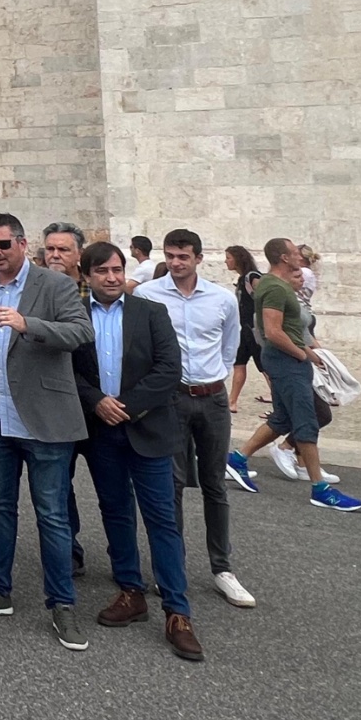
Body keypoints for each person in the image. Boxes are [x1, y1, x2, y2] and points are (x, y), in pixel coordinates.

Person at [0, 213, 94, 653]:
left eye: (3, 245)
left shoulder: (54, 285)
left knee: (51, 513)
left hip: (43, 417)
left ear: (22, 244)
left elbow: (80, 332)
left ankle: (62, 603)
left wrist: (29, 324)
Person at [72, 241, 204, 661]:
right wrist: (96, 400)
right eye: (103, 271)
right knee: (115, 511)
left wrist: (126, 406)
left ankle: (177, 611)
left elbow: (169, 369)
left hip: (147, 428)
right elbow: (68, 370)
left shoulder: (150, 312)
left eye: (117, 269)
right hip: (101, 431)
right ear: (86, 275)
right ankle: (130, 591)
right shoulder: (76, 316)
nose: (112, 277)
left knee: (162, 519)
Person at [135, 230, 255, 608]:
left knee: (214, 485)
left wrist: (214, 375)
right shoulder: (148, 294)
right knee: (170, 486)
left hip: (211, 398)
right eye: (170, 255)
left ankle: (222, 568)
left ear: (199, 258)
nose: (176, 262)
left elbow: (230, 343)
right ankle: (174, 568)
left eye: (183, 256)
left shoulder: (222, 298)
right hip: (170, 400)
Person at [225, 238, 361, 512]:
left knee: (283, 418)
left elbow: (285, 329)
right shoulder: (275, 288)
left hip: (287, 360)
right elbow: (273, 331)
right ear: (283, 258)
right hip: (286, 362)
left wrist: (311, 355)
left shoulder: (276, 285)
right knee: (306, 420)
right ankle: (320, 489)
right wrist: (302, 355)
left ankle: (238, 459)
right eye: (294, 253)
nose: (300, 256)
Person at [41, 221, 90, 576]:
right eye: (50, 249)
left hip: (101, 403)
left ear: (79, 254)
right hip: (57, 400)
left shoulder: (97, 290)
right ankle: (69, 547)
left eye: (63, 249)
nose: (55, 255)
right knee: (60, 484)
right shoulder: (37, 293)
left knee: (114, 488)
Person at [224, 246, 265, 413]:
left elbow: (265, 298)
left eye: (228, 257)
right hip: (244, 329)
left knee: (264, 367)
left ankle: (280, 404)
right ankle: (231, 402)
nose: (226, 261)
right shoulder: (242, 279)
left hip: (254, 330)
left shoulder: (252, 277)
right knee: (239, 364)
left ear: (238, 258)